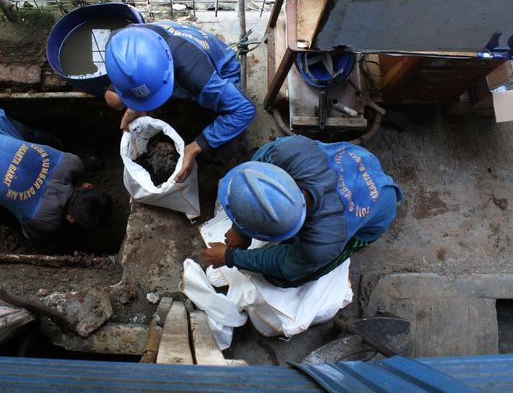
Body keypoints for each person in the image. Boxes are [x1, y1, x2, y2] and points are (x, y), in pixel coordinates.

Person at [201, 135, 402, 287]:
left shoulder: (325, 241)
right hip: (360, 160)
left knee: (282, 278)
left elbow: (285, 265)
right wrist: (240, 229)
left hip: (380, 205)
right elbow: (255, 175)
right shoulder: (290, 151)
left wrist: (231, 258)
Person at [103, 21, 256, 183]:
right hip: (171, 50)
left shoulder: (196, 75)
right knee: (112, 99)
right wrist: (134, 106)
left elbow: (244, 110)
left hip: (218, 68)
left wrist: (195, 147)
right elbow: (129, 73)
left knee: (224, 149)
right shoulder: (119, 43)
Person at [0, 108, 112, 242]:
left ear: (88, 186)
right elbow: (32, 235)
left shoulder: (73, 163)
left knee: (35, 138)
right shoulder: (45, 221)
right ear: (70, 218)